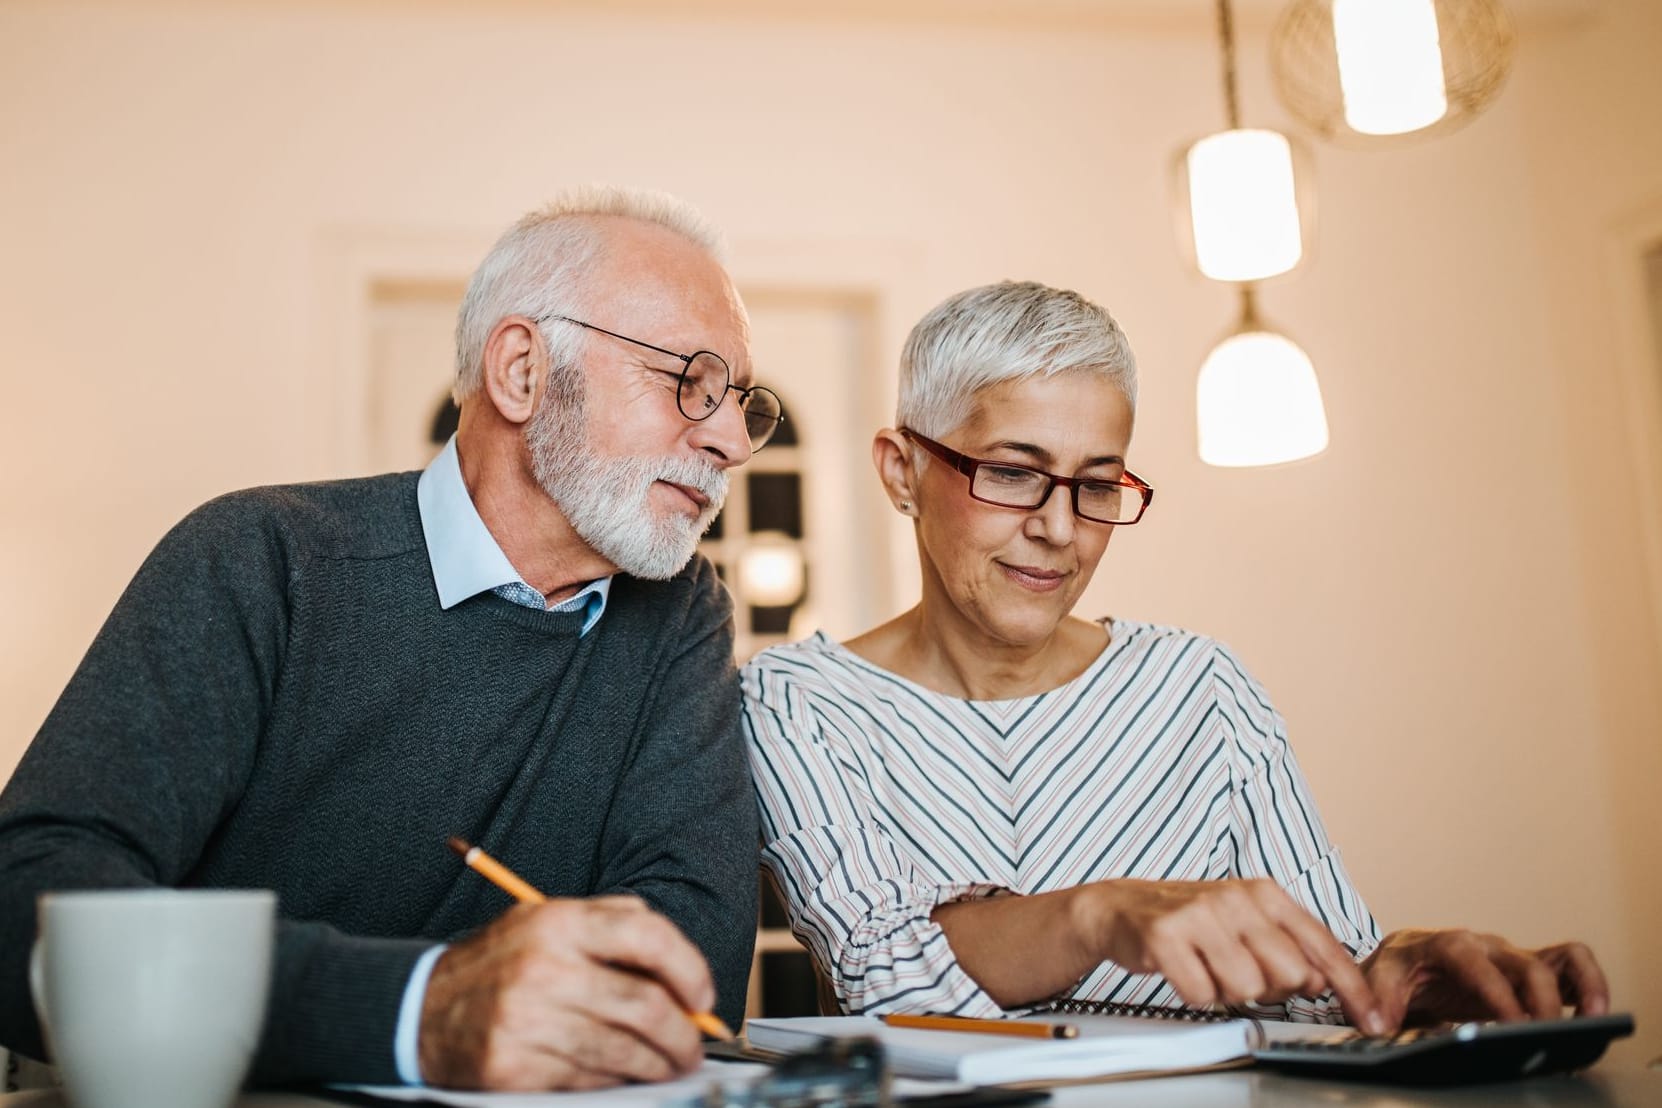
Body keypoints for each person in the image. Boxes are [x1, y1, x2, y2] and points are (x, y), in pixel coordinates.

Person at [0, 187, 781, 1091]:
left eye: (740, 401)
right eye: (690, 379)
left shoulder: (680, 613)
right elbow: (29, 904)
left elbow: (688, 979)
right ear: (522, 371)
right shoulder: (263, 558)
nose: (730, 438)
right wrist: (419, 1008)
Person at [743, 280, 1608, 1034]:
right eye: (1012, 472)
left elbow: (1324, 987)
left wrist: (1411, 971)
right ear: (901, 472)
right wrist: (1098, 914)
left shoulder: (1203, 688)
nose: (1058, 526)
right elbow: (885, 979)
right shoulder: (796, 703)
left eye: (1097, 484)